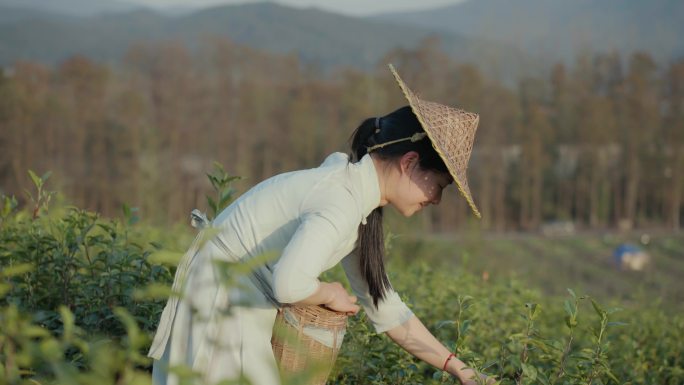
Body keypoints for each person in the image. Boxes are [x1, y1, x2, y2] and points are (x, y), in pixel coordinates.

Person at [147, 65, 491, 385]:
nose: (436, 200)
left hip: (228, 294)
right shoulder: (340, 202)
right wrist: (329, 292)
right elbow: (288, 283)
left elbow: (386, 310)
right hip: (223, 300)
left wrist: (458, 368)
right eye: (440, 186)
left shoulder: (354, 201)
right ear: (410, 162)